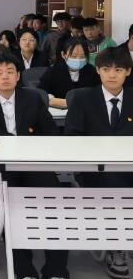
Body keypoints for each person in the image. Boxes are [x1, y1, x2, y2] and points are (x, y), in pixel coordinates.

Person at [0, 52, 68, 279]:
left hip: (32, 165)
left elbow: (51, 133)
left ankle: (56, 269)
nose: (5, 77)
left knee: (54, 202)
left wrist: (30, 147)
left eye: (10, 72)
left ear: (18, 75)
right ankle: (23, 269)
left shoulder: (32, 98)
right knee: (14, 205)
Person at [65, 47, 133, 279]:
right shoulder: (83, 98)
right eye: (106, 69)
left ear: (128, 72)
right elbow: (71, 136)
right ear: (98, 70)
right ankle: (118, 246)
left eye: (118, 70)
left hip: (129, 167)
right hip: (93, 169)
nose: (112, 74)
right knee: (115, 183)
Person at [39, 38, 100, 109]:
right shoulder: (53, 71)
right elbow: (41, 92)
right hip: (59, 110)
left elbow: (99, 92)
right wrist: (57, 102)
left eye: (82, 56)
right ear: (63, 55)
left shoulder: (91, 71)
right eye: (73, 56)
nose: (78, 59)